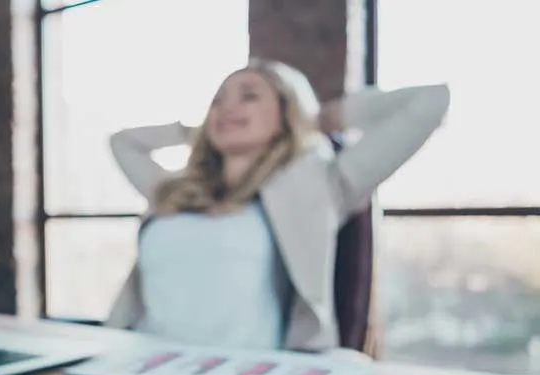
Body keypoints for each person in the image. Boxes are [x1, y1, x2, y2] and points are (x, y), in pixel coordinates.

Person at [104, 58, 450, 354]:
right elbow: (122, 142)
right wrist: (191, 131)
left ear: (287, 112)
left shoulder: (322, 187)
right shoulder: (174, 191)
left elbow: (430, 101)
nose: (227, 108)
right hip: (142, 362)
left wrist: (326, 117)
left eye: (249, 96)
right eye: (218, 101)